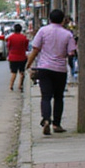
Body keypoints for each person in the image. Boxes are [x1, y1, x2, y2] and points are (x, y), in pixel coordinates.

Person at [26, 8, 77, 136]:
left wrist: (28, 64)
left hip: (44, 68)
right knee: (59, 97)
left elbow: (35, 49)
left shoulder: (43, 31)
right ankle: (57, 124)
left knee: (46, 96)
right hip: (60, 69)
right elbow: (71, 53)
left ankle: (46, 119)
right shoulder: (67, 34)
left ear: (49, 19)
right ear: (63, 20)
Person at [6, 23, 30, 91]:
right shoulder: (24, 37)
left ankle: (11, 85)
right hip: (22, 57)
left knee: (13, 72)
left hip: (13, 57)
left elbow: (8, 46)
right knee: (22, 72)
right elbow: (26, 48)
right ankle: (20, 85)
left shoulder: (11, 37)